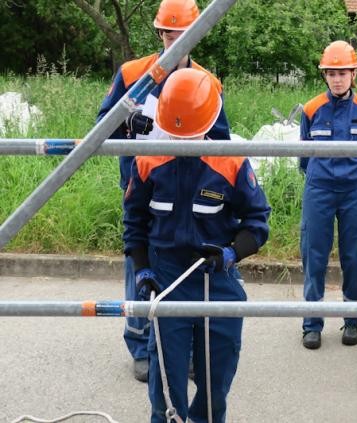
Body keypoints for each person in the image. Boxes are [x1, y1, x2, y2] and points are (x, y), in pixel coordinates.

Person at [123, 68, 270, 422]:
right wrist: (142, 269)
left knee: (217, 375)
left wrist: (231, 253)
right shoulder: (147, 162)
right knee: (165, 379)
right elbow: (134, 223)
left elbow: (257, 222)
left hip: (215, 277)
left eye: (189, 135)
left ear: (209, 122)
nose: (183, 143)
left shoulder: (231, 162)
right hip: (167, 278)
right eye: (176, 136)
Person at [96, 0, 231, 382]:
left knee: (184, 267)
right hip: (142, 186)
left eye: (182, 35)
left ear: (196, 35)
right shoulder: (132, 73)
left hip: (189, 191)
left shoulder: (207, 82)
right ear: (159, 33)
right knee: (140, 262)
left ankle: (179, 347)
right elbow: (102, 125)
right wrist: (128, 121)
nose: (174, 42)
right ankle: (141, 345)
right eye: (168, 35)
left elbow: (220, 139)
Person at [299, 40, 357, 349]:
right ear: (324, 75)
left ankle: (353, 320)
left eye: (342, 73)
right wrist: (320, 177)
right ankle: (311, 324)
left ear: (354, 73)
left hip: (355, 190)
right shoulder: (311, 109)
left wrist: (353, 176)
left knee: (355, 257)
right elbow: (304, 156)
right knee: (314, 255)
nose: (336, 79)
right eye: (331, 73)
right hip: (319, 189)